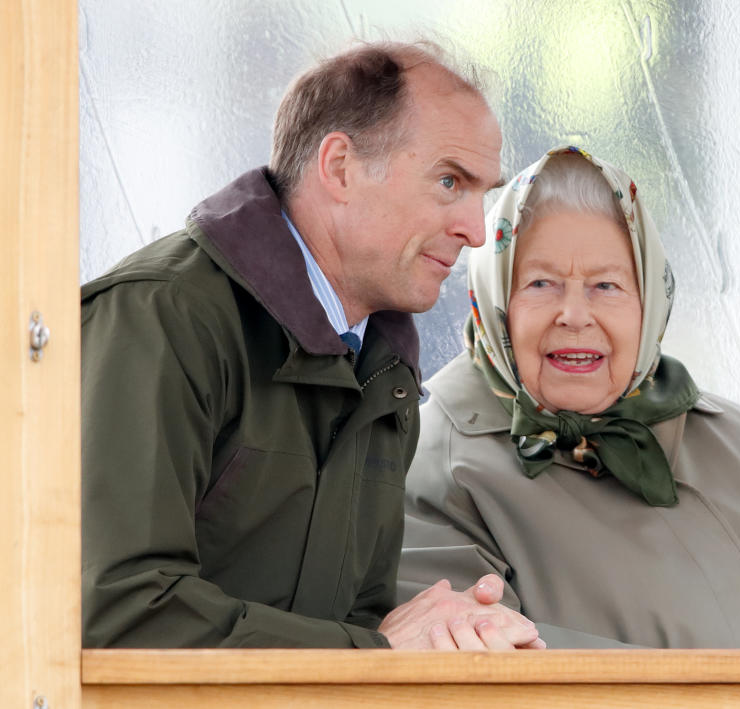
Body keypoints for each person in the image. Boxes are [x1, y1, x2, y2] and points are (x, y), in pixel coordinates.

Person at [81, 41, 545, 651]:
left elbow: (352, 629)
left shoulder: (384, 373)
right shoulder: (160, 318)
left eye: (482, 192)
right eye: (449, 180)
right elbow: (117, 613)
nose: (476, 229)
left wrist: (446, 637)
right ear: (340, 168)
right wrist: (375, 656)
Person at [399, 146, 740, 649]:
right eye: (541, 283)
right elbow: (486, 671)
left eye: (606, 286)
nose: (574, 314)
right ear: (493, 298)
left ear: (650, 306)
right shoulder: (435, 469)